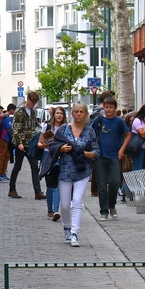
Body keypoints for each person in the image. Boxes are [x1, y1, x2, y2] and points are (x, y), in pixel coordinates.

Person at [50, 102, 97, 247]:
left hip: (82, 170)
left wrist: (86, 154)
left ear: (86, 114)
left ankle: (75, 233)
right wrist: (62, 149)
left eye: (81, 112)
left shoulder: (89, 131)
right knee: (64, 205)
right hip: (65, 170)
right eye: (76, 112)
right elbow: (53, 146)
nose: (79, 114)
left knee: (77, 201)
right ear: (72, 113)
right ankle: (67, 227)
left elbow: (97, 151)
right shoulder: (64, 129)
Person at [90, 96, 130, 221]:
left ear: (115, 108)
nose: (108, 110)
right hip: (100, 156)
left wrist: (122, 150)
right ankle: (104, 210)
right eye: (106, 107)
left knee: (114, 182)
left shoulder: (119, 121)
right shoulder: (99, 120)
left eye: (111, 107)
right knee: (102, 185)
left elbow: (128, 135)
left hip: (114, 156)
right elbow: (90, 132)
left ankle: (112, 204)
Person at [10, 91, 42, 200]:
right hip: (21, 144)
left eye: (34, 102)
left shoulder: (32, 112)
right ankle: (12, 189)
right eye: (32, 102)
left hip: (31, 143)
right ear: (27, 99)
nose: (33, 104)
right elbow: (16, 129)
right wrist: (19, 143)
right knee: (17, 166)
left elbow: (34, 127)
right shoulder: (19, 112)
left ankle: (37, 191)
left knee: (34, 167)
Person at [39, 107, 67, 220]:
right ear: (53, 115)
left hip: (62, 157)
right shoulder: (47, 127)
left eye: (61, 113)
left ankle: (56, 210)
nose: (59, 115)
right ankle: (50, 209)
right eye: (57, 113)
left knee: (57, 184)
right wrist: (48, 145)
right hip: (49, 157)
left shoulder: (66, 128)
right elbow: (39, 144)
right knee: (50, 184)